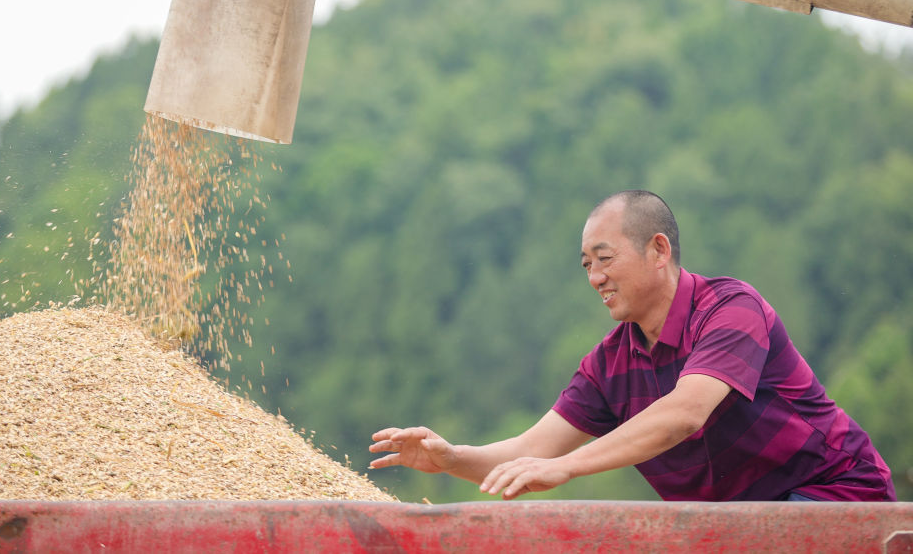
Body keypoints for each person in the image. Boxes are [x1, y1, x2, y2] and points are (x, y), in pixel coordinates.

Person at [369, 190, 895, 501]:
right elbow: (533, 452)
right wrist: (452, 458)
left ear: (658, 249)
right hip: (738, 529)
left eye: (605, 258)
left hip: (833, 496)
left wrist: (569, 468)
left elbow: (684, 414)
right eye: (585, 265)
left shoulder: (732, 309)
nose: (594, 277)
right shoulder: (607, 366)